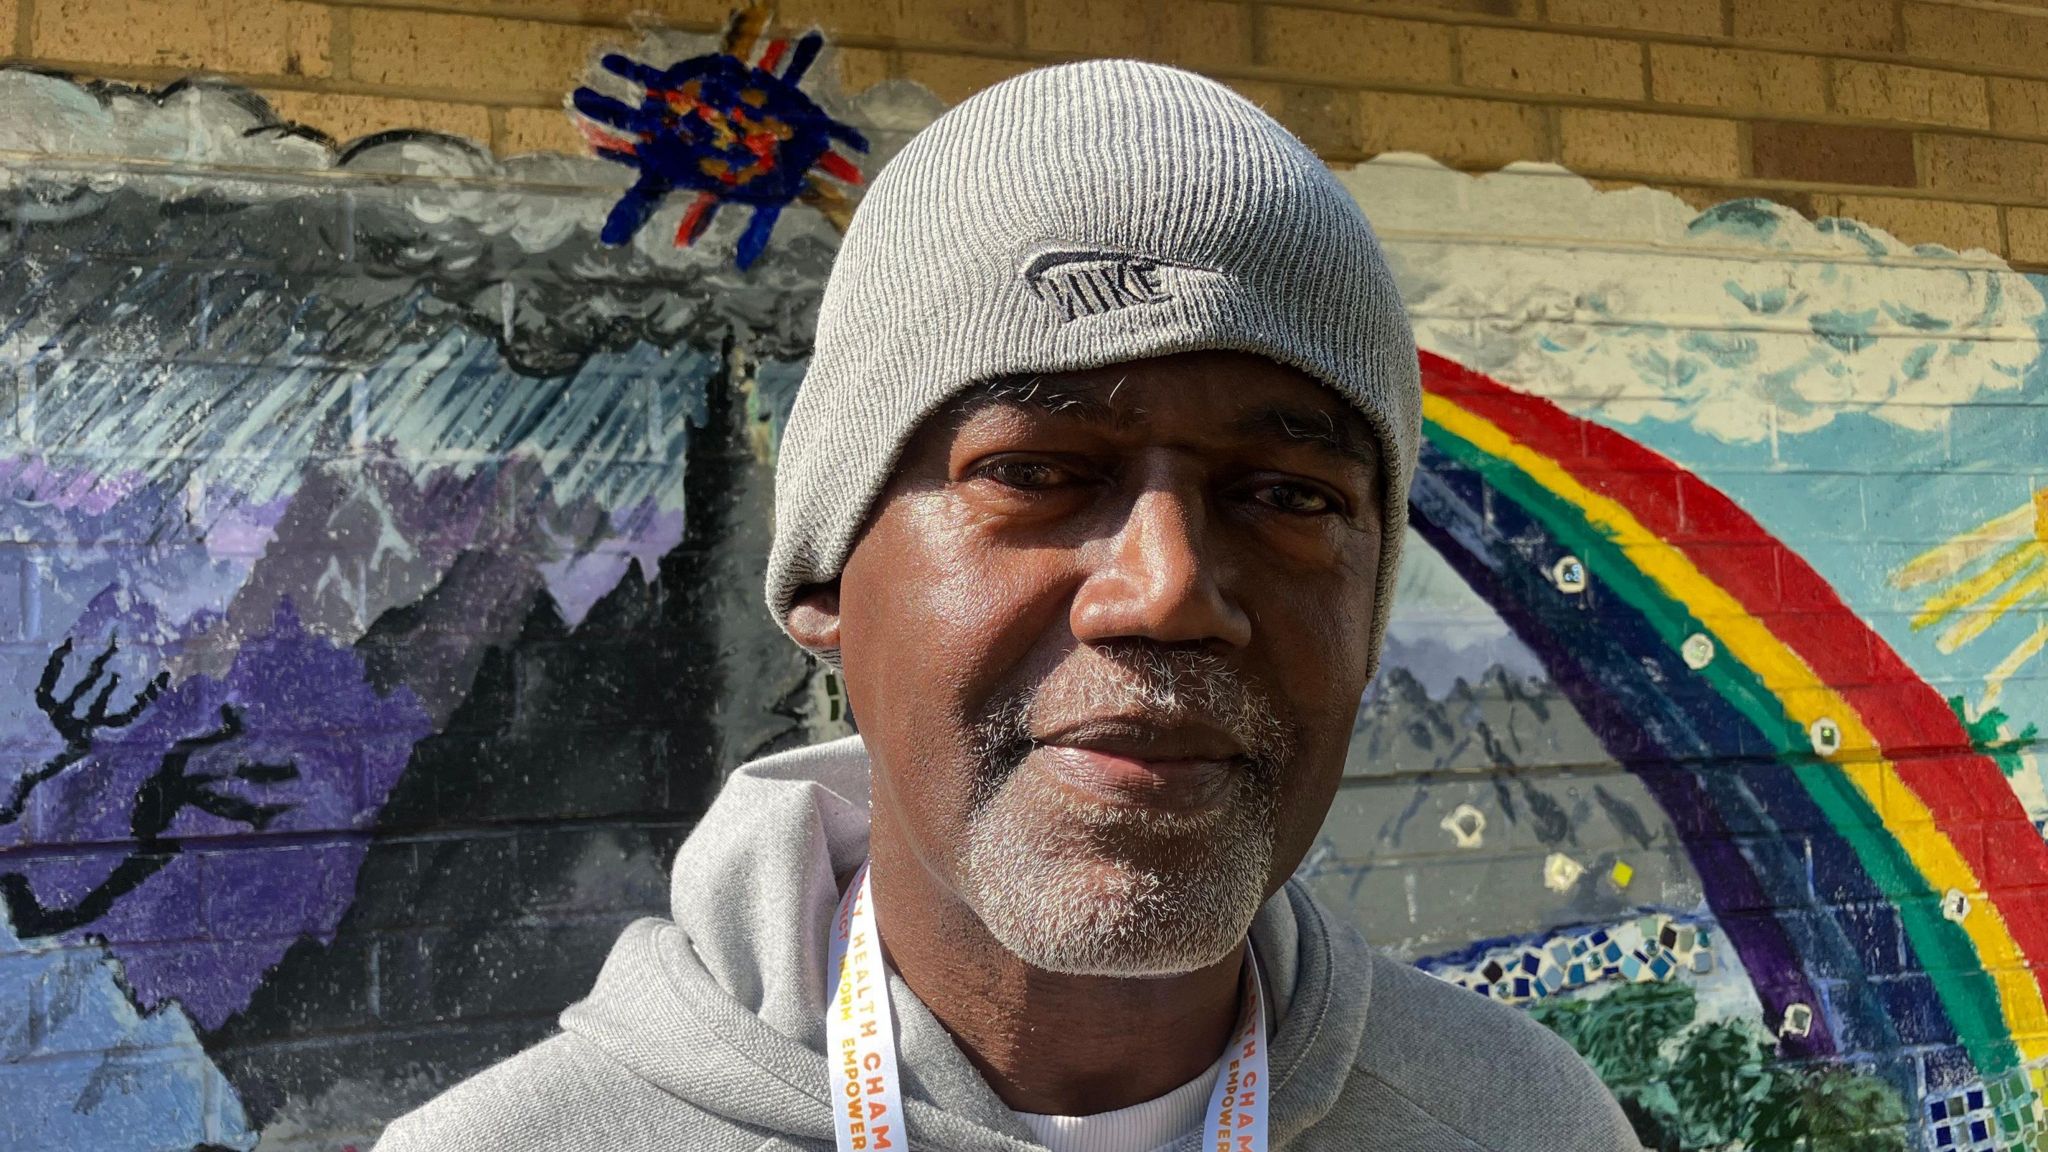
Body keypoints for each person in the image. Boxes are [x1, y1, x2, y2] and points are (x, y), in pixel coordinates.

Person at [377, 59, 1641, 1152]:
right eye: (1034, 471)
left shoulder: (1527, 1123)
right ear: (824, 574)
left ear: (1368, 612)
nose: (1167, 592)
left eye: (1285, 494)